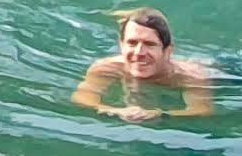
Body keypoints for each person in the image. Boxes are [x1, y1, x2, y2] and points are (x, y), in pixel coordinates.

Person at [75, 9, 215, 116]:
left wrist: (160, 114)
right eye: (132, 43)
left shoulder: (190, 76)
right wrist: (115, 111)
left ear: (168, 51)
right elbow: (82, 98)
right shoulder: (106, 68)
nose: (139, 52)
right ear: (121, 45)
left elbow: (202, 110)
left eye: (149, 44)